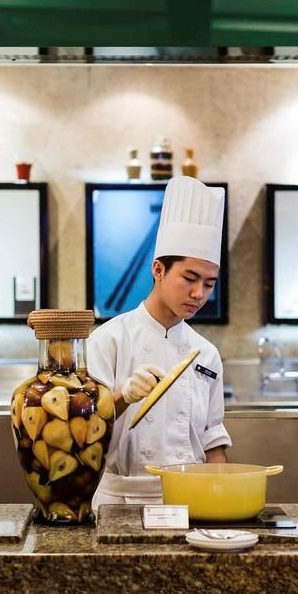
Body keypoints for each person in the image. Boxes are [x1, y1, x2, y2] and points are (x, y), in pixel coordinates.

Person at [88, 176, 231, 510]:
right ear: (158, 270)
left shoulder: (206, 353)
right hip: (120, 501)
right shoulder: (108, 339)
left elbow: (212, 438)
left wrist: (223, 500)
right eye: (189, 278)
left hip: (191, 498)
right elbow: (86, 429)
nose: (199, 294)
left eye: (209, 284)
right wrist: (122, 396)